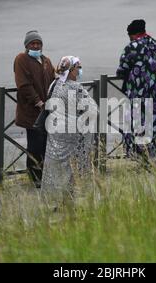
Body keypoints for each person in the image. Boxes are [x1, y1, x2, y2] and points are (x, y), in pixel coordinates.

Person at [41, 56, 96, 208]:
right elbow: (93, 110)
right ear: (71, 70)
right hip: (72, 137)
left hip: (55, 134)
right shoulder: (76, 88)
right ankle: (71, 202)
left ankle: (52, 202)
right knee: (72, 169)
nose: (80, 70)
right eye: (78, 67)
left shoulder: (55, 84)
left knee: (55, 169)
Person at [116, 19, 156, 165]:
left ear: (132, 35)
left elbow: (121, 70)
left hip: (141, 95)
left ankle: (144, 159)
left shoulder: (132, 47)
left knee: (140, 125)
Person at [14, 30, 56, 188]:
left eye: (38, 43)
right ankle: (35, 177)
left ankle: (45, 174)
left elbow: (53, 79)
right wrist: (38, 102)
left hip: (47, 111)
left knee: (46, 143)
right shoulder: (21, 59)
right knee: (35, 145)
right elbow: (23, 85)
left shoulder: (46, 60)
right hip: (31, 111)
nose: (36, 46)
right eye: (33, 43)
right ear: (27, 45)